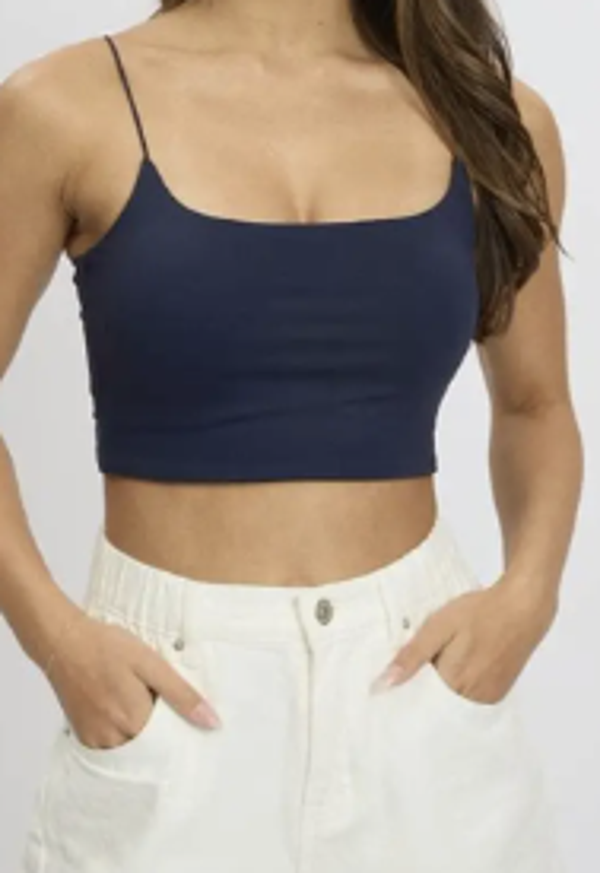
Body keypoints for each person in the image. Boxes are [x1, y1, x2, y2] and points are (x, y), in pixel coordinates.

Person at [0, 1, 581, 872]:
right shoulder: (65, 106)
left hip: (420, 690)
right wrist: (56, 640)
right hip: (170, 698)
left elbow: (536, 405)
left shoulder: (491, 117)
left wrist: (529, 596)